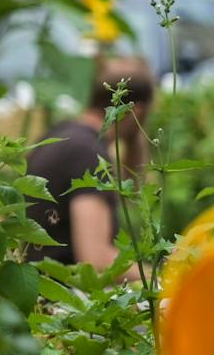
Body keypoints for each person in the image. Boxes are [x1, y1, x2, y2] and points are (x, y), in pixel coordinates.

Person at [25, 57, 155, 273]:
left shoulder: (62, 134)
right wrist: (162, 278)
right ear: (138, 111)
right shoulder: (87, 153)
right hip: (60, 298)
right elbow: (95, 259)